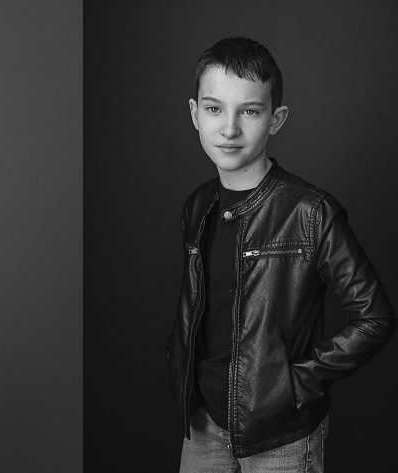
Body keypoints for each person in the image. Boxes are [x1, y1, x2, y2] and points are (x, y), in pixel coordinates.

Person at [166, 37, 396, 472]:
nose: (229, 129)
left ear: (276, 119)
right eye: (214, 109)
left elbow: (376, 317)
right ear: (195, 114)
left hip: (281, 436)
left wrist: (295, 383)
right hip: (201, 423)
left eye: (249, 111)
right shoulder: (198, 206)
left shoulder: (310, 212)